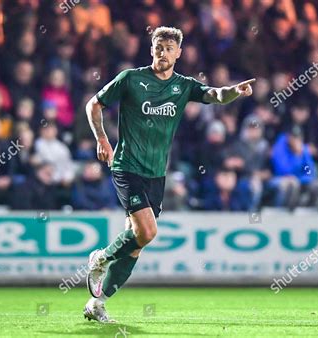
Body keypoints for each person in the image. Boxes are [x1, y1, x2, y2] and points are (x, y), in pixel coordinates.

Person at [83, 26, 255, 323]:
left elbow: (215, 94)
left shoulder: (183, 86)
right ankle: (100, 258)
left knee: (136, 246)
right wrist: (101, 138)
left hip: (156, 174)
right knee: (147, 232)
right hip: (127, 167)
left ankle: (97, 304)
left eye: (168, 48)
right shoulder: (131, 79)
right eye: (158, 47)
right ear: (152, 49)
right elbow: (94, 104)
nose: (163, 53)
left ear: (179, 53)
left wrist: (234, 93)